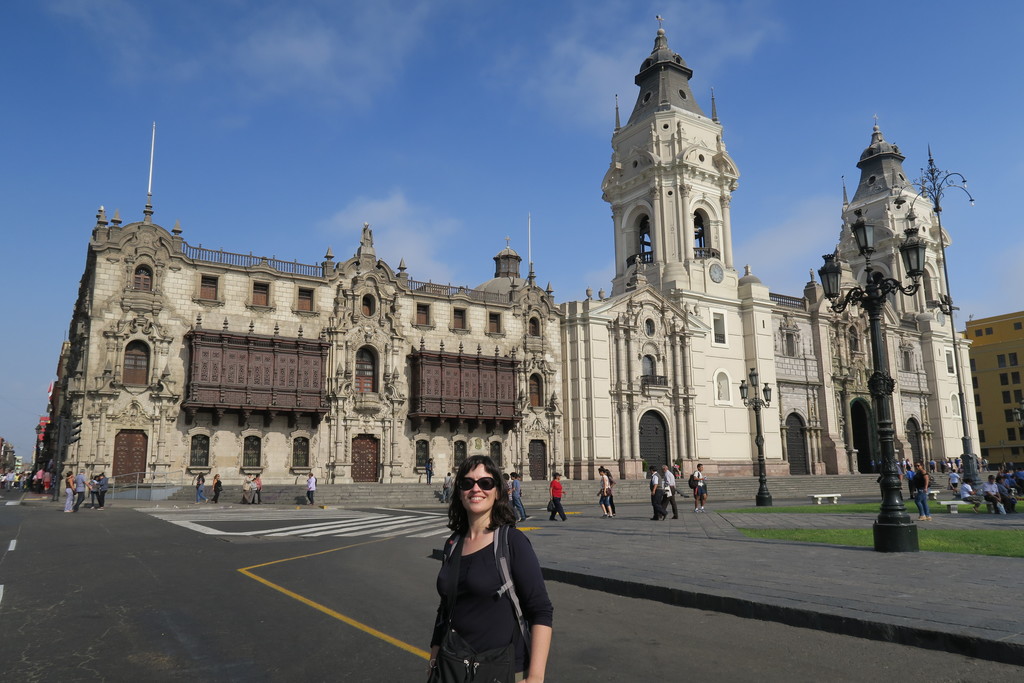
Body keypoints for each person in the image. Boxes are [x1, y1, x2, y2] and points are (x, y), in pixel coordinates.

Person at [429, 455, 552, 682]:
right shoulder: (453, 543)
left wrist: (535, 676)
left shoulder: (512, 542)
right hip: (452, 667)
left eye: (485, 483)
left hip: (498, 669)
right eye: (467, 483)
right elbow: (445, 608)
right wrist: (434, 658)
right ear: (459, 492)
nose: (476, 489)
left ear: (497, 492)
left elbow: (541, 610)